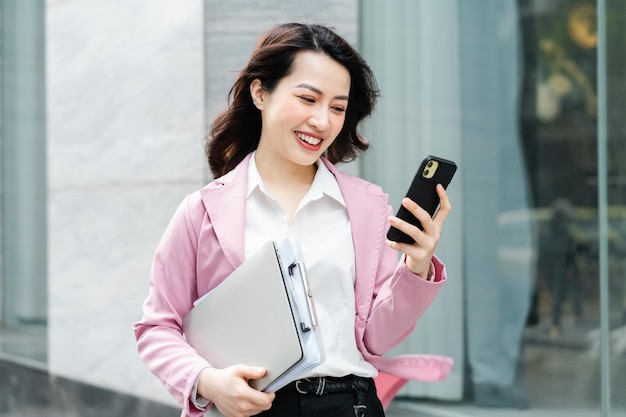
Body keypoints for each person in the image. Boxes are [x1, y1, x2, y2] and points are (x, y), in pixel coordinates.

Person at [134, 22, 453, 417]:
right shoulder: (202, 211)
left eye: (337, 107)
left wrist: (416, 267)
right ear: (260, 92)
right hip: (248, 409)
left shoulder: (367, 208)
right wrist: (206, 380)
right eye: (308, 99)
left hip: (351, 404)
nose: (322, 121)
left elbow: (377, 337)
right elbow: (157, 328)